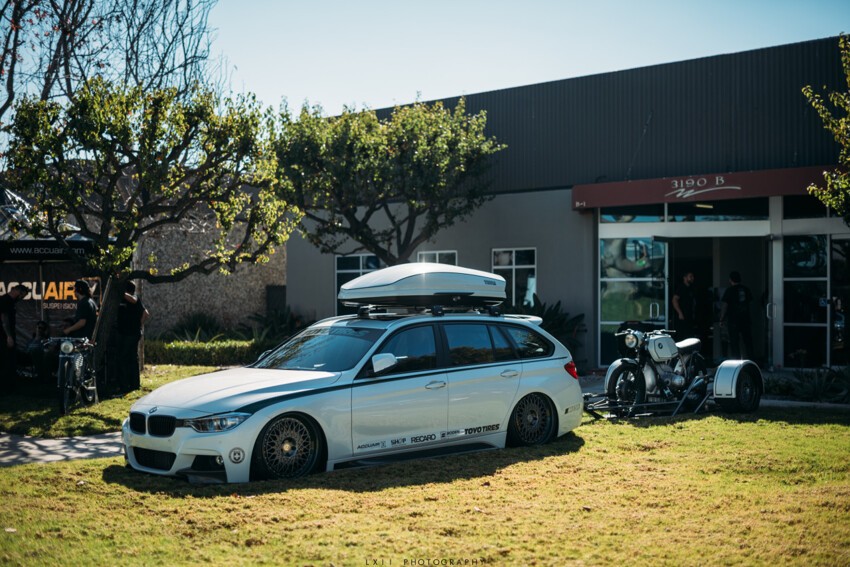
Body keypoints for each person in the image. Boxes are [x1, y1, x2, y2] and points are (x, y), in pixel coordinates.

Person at [116, 281, 149, 392]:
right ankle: (133, 384)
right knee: (132, 359)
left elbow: (145, 313)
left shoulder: (134, 297)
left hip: (130, 333)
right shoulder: (128, 299)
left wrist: (139, 325)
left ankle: (125, 386)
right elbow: (145, 313)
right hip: (129, 333)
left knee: (123, 359)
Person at [720, 270, 754, 359]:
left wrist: (722, 318)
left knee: (734, 343)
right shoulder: (746, 289)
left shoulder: (729, 290)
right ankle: (751, 361)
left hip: (733, 320)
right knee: (748, 342)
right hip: (745, 319)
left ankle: (737, 362)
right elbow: (750, 303)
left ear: (730, 280)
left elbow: (725, 305)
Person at [0, 284, 30, 384]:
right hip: (3, 336)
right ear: (18, 292)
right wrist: (8, 336)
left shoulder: (9, 301)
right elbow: (4, 319)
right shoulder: (5, 300)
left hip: (6, 335)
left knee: (9, 359)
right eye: (22, 296)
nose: (21, 299)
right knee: (6, 359)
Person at [672, 271, 697, 338]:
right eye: (690, 276)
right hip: (682, 317)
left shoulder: (691, 288)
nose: (692, 278)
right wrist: (680, 313)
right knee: (682, 335)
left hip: (689, 316)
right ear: (685, 278)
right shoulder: (681, 288)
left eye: (693, 277)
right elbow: (674, 300)